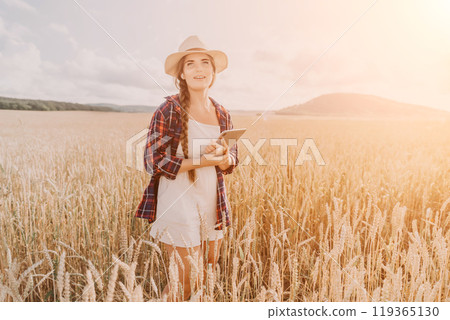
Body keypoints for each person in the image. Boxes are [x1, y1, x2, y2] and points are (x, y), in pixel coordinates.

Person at [135, 35, 239, 301]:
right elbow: (153, 161)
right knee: (185, 282)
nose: (199, 69)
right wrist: (203, 160)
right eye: (190, 64)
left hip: (211, 202)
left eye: (205, 62)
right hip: (178, 201)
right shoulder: (168, 109)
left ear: (213, 72)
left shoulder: (222, 112)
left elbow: (231, 159)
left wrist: (224, 157)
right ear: (181, 73)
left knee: (207, 271)